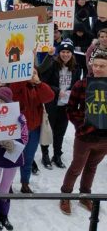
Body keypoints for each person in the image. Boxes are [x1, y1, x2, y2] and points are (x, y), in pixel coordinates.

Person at [59, 51, 107, 215]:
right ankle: (65, 194)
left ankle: (85, 194)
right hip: (85, 136)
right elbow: (70, 109)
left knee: (92, 167)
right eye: (95, 65)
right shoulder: (81, 85)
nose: (98, 69)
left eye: (102, 66)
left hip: (104, 139)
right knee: (76, 167)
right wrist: (83, 123)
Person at [0, 87, 28, 231]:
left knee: (6, 186)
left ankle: (4, 214)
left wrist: (14, 143)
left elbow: (25, 137)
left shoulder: (18, 116)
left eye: (1, 101)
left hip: (12, 155)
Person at [37, 40, 81, 169]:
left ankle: (57, 155)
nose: (65, 54)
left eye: (68, 52)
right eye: (63, 51)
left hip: (66, 105)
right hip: (52, 103)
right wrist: (57, 91)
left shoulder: (76, 67)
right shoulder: (53, 65)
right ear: (59, 52)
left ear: (72, 54)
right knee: (47, 130)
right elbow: (43, 82)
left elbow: (77, 83)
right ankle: (45, 154)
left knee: (60, 132)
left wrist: (73, 91)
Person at [9, 68, 53, 193]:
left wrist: (38, 83)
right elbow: (13, 90)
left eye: (34, 72)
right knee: (13, 157)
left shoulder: (38, 87)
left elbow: (49, 96)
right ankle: (8, 184)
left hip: (34, 129)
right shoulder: (18, 85)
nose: (32, 75)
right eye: (28, 72)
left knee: (28, 158)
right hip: (17, 129)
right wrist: (24, 78)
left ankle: (25, 183)